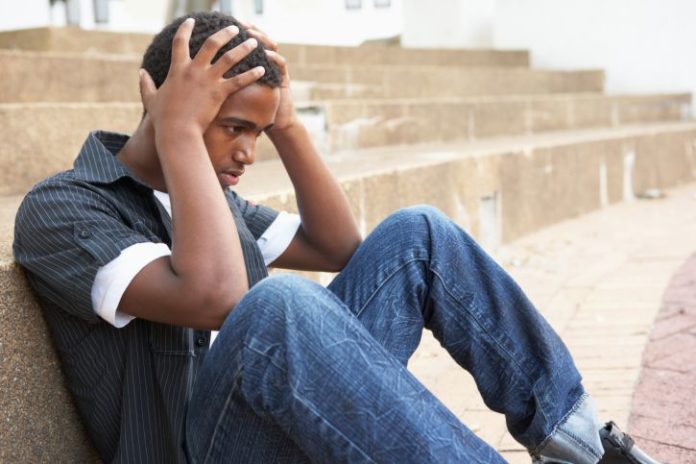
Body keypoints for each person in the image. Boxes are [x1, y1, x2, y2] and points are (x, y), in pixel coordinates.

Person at [13, 11, 660, 464]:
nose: (246, 153)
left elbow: (338, 247)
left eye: (258, 135)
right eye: (233, 126)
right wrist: (179, 131)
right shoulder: (66, 208)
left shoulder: (215, 198)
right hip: (204, 450)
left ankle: (581, 444)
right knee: (274, 306)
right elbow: (214, 295)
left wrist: (288, 127)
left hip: (276, 422)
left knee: (416, 235)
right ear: (162, 102)